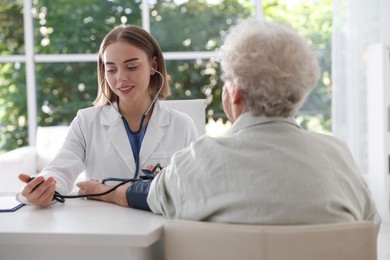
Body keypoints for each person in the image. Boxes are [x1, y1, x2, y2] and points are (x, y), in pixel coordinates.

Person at [75, 18, 381, 230]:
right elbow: (370, 226)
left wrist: (109, 192)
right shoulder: (340, 156)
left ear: (234, 93)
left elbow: (151, 195)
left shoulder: (203, 159)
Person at [17, 24, 199, 207]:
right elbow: (60, 169)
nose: (121, 78)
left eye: (132, 67)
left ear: (153, 66)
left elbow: (195, 187)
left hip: (161, 228)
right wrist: (43, 187)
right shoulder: (86, 121)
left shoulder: (182, 125)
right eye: (111, 70)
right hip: (105, 228)